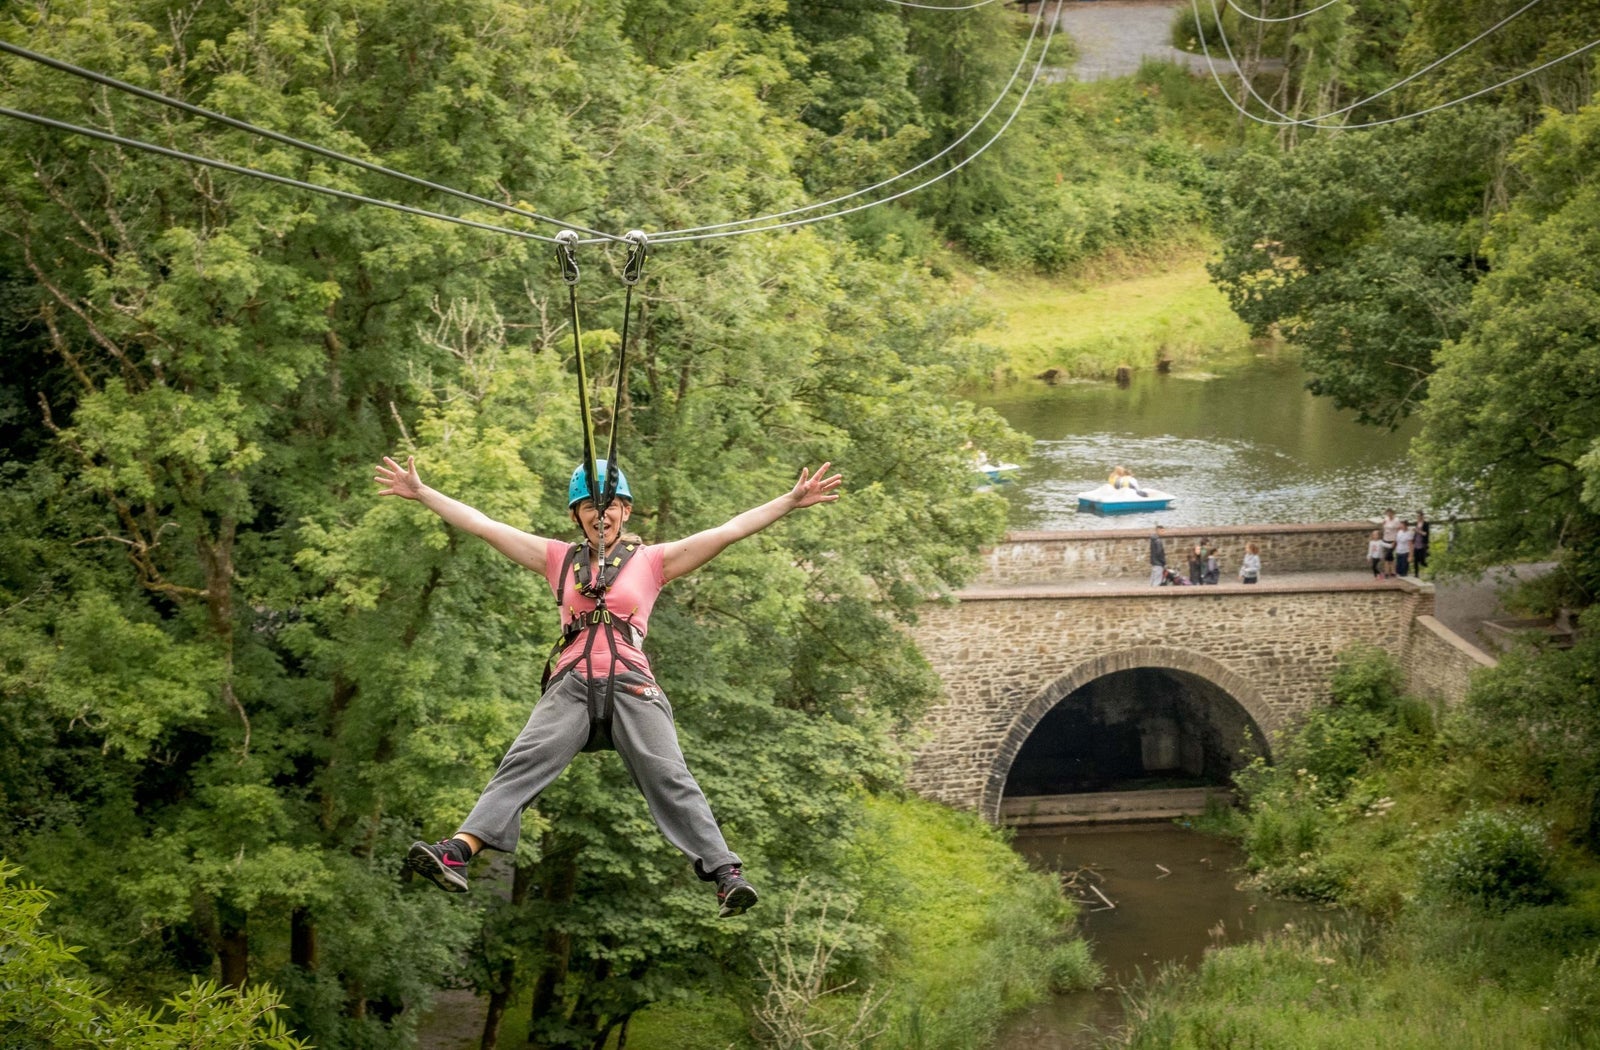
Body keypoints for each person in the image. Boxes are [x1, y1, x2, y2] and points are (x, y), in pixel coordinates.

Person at [374, 453, 842, 918]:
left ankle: (726, 875)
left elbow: (728, 530)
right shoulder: (557, 558)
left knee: (668, 773)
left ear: (627, 511)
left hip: (632, 684)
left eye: (612, 506)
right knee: (523, 761)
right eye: (592, 508)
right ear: (577, 515)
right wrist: (422, 492)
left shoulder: (654, 561)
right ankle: (458, 851)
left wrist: (789, 500)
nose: (603, 515)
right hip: (573, 682)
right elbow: (484, 525)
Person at [1379, 509, 1400, 578]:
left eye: (1390, 513)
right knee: (1390, 557)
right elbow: (1383, 528)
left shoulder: (1396, 520)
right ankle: (1392, 572)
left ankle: (1387, 572)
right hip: (1386, 539)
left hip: (1392, 540)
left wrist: (1395, 540)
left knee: (1388, 556)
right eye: (1388, 513)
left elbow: (1398, 531)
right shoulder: (1386, 519)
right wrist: (1382, 525)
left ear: (1393, 513)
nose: (1389, 515)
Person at [1412, 510, 1430, 577]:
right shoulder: (1416, 523)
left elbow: (1425, 534)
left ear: (1422, 516)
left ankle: (1430, 569)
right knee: (1416, 559)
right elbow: (1415, 533)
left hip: (1422, 544)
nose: (1418, 517)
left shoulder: (1426, 524)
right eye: (1417, 516)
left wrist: (1418, 531)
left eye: (1419, 516)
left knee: (1422, 560)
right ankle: (1416, 574)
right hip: (1416, 543)